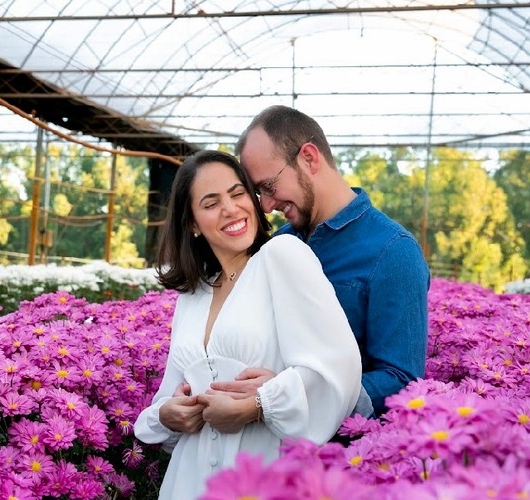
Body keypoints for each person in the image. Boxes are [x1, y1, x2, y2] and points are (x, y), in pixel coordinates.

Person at [133, 150, 362, 500]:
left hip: (260, 475)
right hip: (187, 481)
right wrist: (167, 414)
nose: (230, 209)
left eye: (238, 193)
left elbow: (338, 365)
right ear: (192, 223)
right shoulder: (192, 294)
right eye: (211, 203)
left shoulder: (282, 256)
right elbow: (171, 393)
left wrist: (258, 405)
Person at [211, 105, 430, 416]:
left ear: (309, 158)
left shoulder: (393, 251)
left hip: (336, 443)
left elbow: (401, 380)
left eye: (268, 187)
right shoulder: (278, 244)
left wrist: (289, 395)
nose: (267, 206)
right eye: (259, 193)